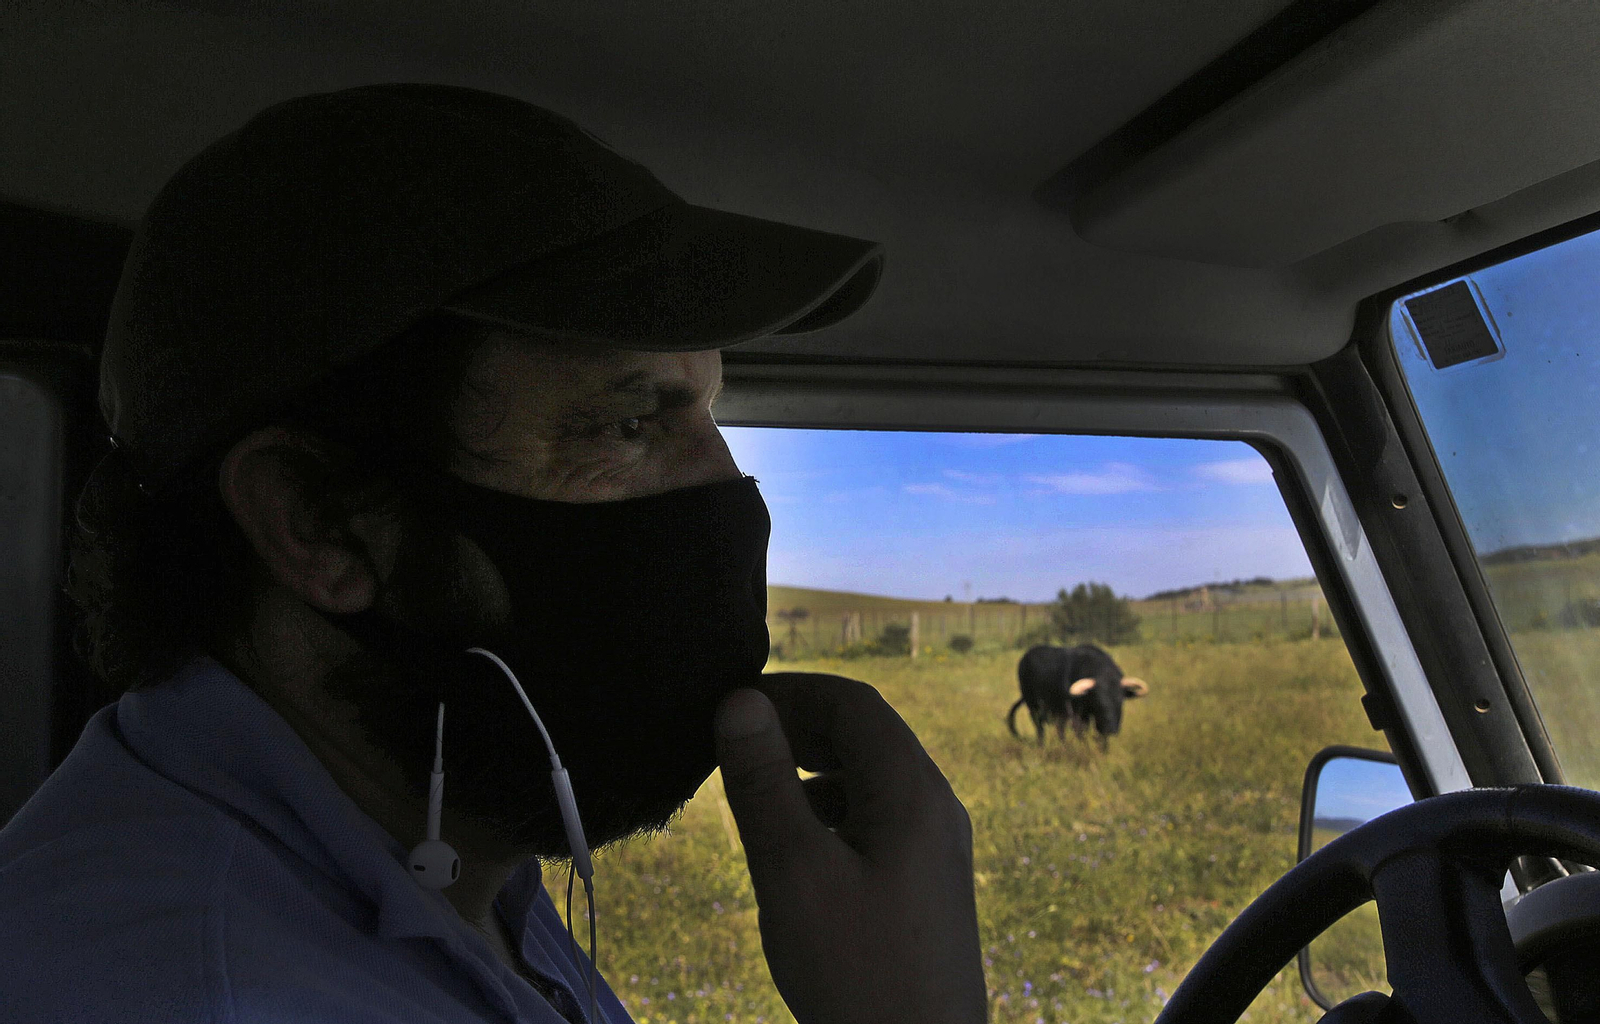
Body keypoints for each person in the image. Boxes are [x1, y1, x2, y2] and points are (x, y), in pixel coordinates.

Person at [0, 84, 985, 1024]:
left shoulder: (432, 835)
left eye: (710, 414)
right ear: (318, 524)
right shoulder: (197, 992)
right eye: (630, 424)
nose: (729, 493)